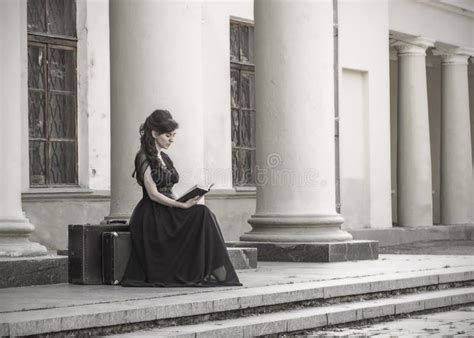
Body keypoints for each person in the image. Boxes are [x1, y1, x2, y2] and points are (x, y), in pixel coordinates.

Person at [121, 109, 242, 287]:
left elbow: (170, 190)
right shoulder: (143, 156)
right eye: (168, 135)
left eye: (173, 135)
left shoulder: (166, 158)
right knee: (202, 214)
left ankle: (214, 268)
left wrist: (186, 201)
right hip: (152, 216)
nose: (171, 139)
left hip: (168, 209)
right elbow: (153, 194)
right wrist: (181, 206)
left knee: (202, 213)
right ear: (154, 133)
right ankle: (217, 270)